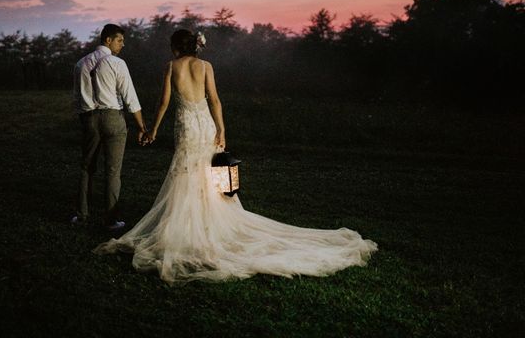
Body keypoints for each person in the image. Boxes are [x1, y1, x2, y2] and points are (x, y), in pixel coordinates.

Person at [93, 29, 377, 282]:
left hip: (186, 126)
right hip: (204, 124)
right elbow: (215, 100)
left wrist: (153, 129)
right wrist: (222, 129)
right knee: (206, 172)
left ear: (176, 47)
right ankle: (205, 221)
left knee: (187, 172)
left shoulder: (171, 67)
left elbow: (164, 101)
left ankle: (192, 225)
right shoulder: (205, 65)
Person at [72, 24, 147, 230]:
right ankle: (111, 220)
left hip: (89, 118)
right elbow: (130, 97)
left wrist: (86, 120)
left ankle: (82, 215)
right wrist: (141, 127)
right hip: (113, 118)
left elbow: (77, 99)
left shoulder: (80, 64)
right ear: (108, 40)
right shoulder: (117, 63)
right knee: (113, 171)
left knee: (87, 167)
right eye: (120, 40)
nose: (123, 44)